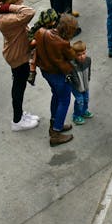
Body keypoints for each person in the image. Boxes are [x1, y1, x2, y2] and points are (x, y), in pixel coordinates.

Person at [0, 0, 40, 132]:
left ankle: (19, 115)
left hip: (17, 52)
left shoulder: (5, 14)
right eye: (20, 2)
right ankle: (17, 121)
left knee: (19, 84)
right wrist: (9, 7)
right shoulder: (7, 19)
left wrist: (6, 7)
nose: (22, 4)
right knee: (19, 87)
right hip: (17, 56)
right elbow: (30, 12)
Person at [32, 13, 78, 145]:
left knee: (56, 96)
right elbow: (71, 56)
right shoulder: (63, 43)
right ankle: (56, 132)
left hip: (46, 71)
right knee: (65, 100)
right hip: (58, 74)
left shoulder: (41, 32)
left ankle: (55, 123)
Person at [69, 39, 94, 125]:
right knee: (80, 100)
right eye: (79, 55)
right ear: (74, 55)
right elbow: (73, 78)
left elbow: (89, 71)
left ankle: (84, 111)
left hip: (85, 84)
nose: (82, 56)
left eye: (83, 53)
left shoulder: (88, 60)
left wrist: (88, 79)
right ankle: (76, 115)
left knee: (86, 99)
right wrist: (78, 86)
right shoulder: (72, 64)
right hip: (76, 86)